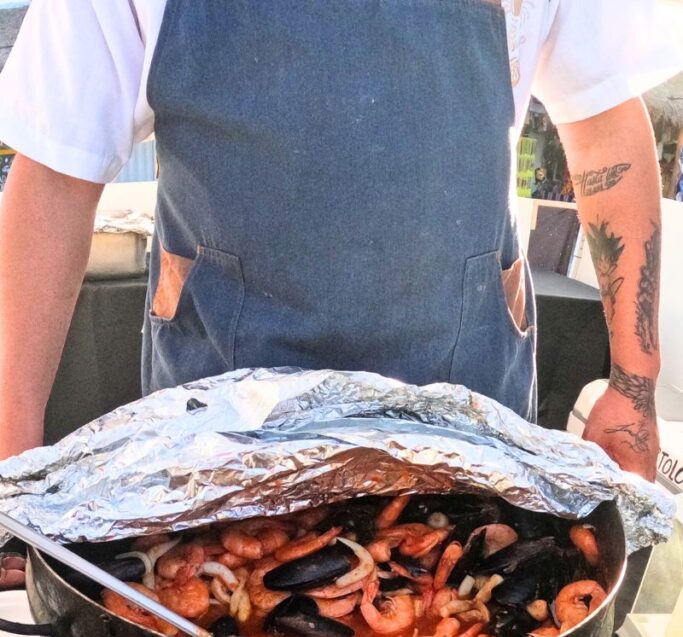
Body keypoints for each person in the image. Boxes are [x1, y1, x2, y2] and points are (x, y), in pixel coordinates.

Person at [0, 0, 680, 490]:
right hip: (221, 415)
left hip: (463, 385)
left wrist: (631, 387)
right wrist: (6, 455)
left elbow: (601, 131)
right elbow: (56, 178)